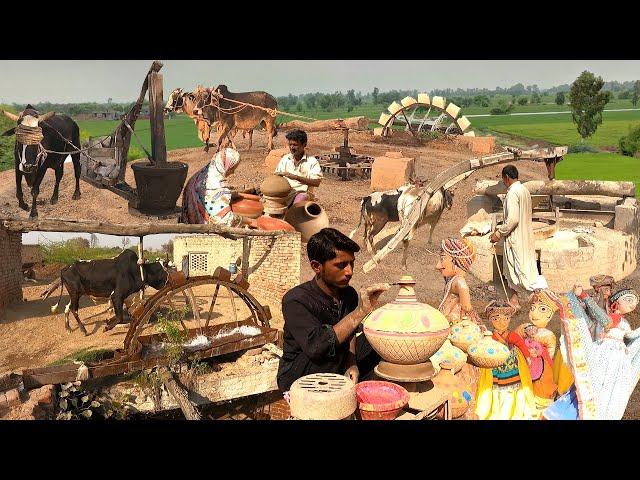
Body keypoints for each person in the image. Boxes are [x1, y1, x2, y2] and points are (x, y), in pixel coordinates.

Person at [276, 228, 389, 393]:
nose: (349, 271)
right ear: (316, 266)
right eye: (341, 265)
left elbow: (350, 333)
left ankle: (357, 391)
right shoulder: (296, 300)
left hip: (336, 362)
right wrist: (359, 312)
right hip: (301, 374)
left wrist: (351, 362)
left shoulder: (348, 294)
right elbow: (317, 348)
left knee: (378, 340)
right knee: (323, 349)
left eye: (351, 263)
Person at [542, 286, 640, 420]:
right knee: (595, 384)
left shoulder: (623, 321)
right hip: (607, 354)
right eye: (628, 299)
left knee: (601, 387)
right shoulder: (614, 318)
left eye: (634, 301)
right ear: (616, 302)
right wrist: (583, 296)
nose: (632, 303)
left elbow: (629, 336)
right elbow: (605, 321)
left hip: (617, 358)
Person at [489, 165, 544, 311]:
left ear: (506, 177)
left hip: (516, 239)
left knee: (520, 271)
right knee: (515, 269)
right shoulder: (524, 190)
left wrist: (498, 233)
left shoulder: (513, 193)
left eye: (503, 179)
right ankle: (514, 300)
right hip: (525, 236)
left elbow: (513, 219)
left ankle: (537, 302)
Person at [475, 300, 537, 420]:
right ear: (491, 320)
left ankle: (515, 409)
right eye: (497, 319)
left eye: (506, 318)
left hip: (513, 366)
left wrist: (527, 357)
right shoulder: (489, 337)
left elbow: (521, 344)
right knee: (497, 387)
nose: (502, 322)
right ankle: (499, 411)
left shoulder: (512, 335)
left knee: (516, 387)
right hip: (496, 366)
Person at [180, 147, 249, 226]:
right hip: (202, 230)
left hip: (189, 222)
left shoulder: (202, 175)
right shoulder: (214, 186)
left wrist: (232, 195)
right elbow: (223, 220)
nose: (233, 172)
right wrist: (252, 222)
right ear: (225, 165)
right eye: (232, 168)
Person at [274, 129, 323, 206]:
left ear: (304, 145)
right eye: (290, 145)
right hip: (286, 191)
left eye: (295, 145)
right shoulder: (285, 159)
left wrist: (295, 177)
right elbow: (276, 176)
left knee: (298, 202)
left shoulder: (312, 161)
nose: (292, 148)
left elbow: (317, 182)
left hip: (302, 193)